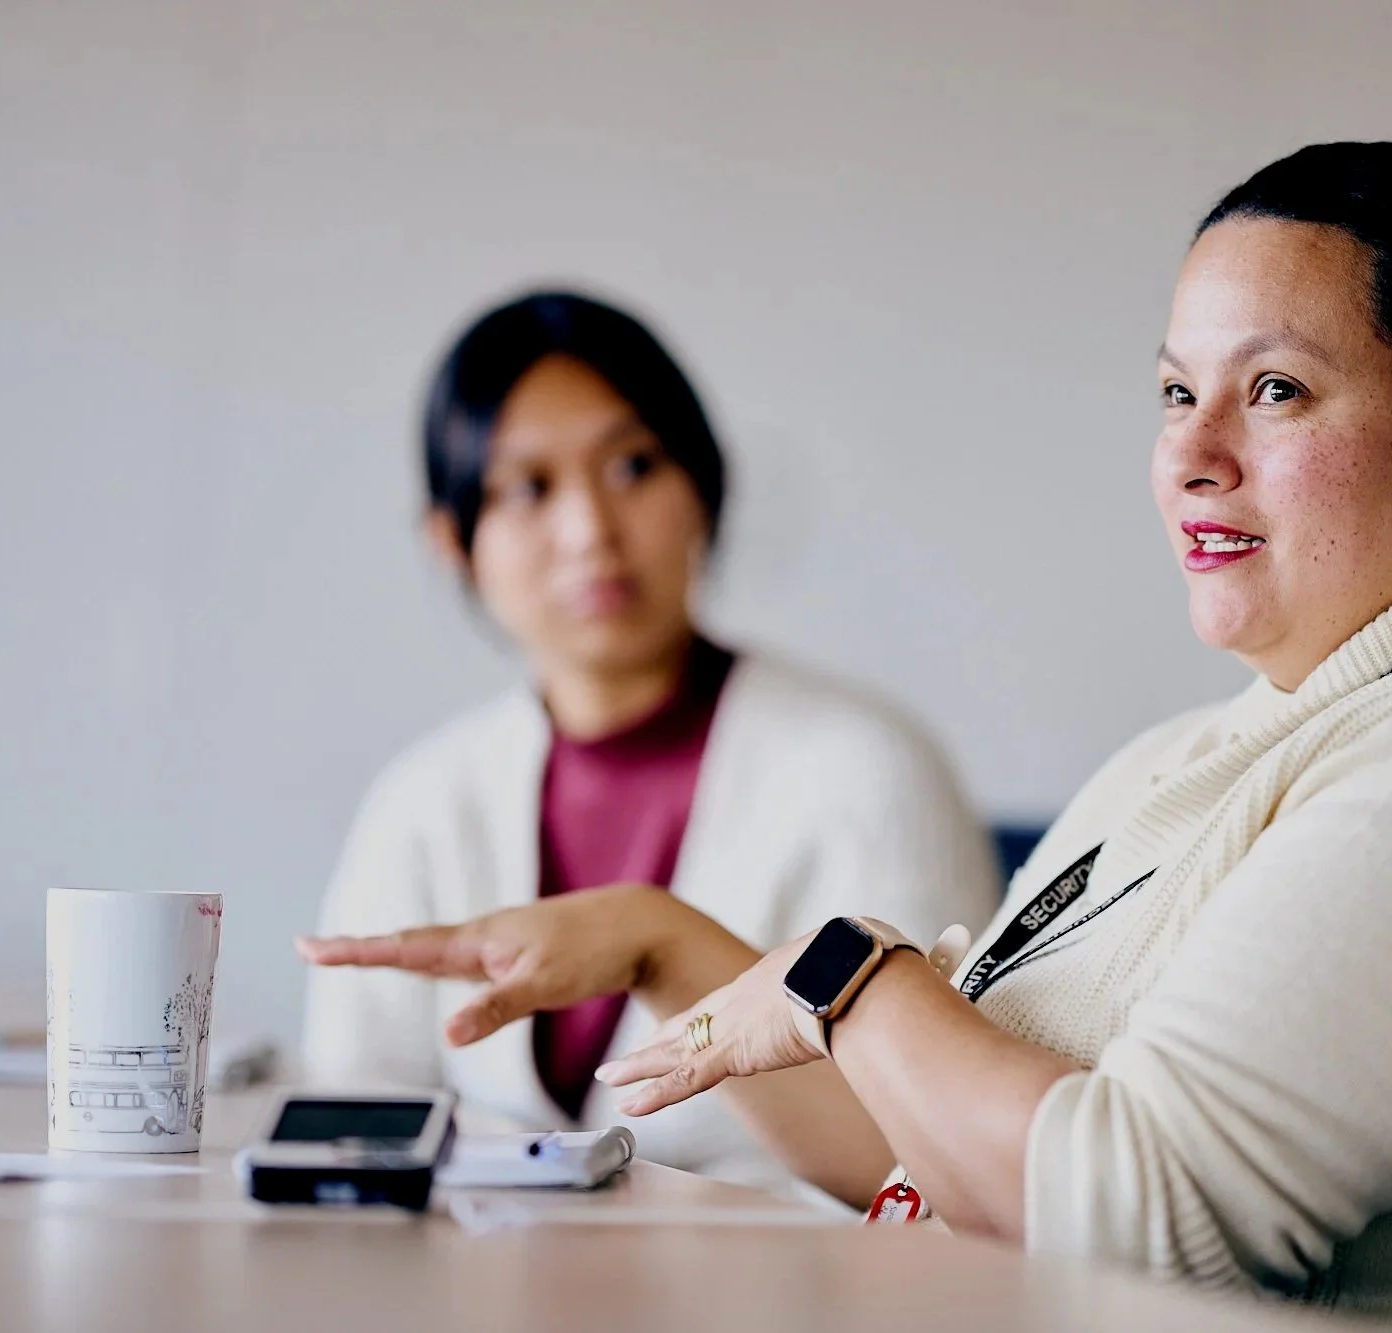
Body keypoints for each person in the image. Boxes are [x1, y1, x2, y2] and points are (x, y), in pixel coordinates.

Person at [300, 147, 1392, 1327]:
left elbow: (1132, 1216)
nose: (1190, 452)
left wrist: (852, 979)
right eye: (1177, 390)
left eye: (1276, 391)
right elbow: (950, 1143)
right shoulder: (1269, 737)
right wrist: (671, 942)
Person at [299, 291, 1000, 1196]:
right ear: (452, 540)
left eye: (633, 465)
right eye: (529, 488)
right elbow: (351, 1118)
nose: (591, 532)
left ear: (703, 486)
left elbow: (940, 1154)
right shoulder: (424, 798)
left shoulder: (868, 770)